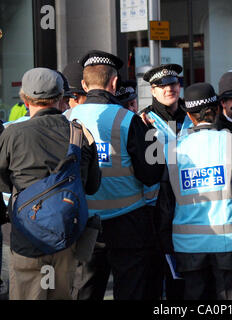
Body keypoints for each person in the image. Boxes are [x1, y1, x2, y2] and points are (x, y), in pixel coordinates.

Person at [66, 50, 164, 300]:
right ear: (114, 83)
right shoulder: (129, 119)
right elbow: (151, 174)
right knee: (131, 289)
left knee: (85, 288)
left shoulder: (67, 119)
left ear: (85, 85)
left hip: (83, 220)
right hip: (127, 220)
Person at [157, 82, 232, 300]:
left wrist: (166, 244)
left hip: (188, 247)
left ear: (190, 116)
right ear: (217, 110)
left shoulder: (172, 151)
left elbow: (165, 205)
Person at [0, 67, 101, 300]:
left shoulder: (12, 134)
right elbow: (92, 186)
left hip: (27, 237)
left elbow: (3, 183)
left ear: (25, 99)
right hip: (67, 236)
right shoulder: (79, 133)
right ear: (62, 99)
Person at [140, 64, 187, 299]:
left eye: (174, 84)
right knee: (157, 276)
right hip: (159, 208)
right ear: (153, 90)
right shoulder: (144, 120)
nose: (170, 89)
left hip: (191, 205)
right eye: (163, 86)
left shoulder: (192, 115)